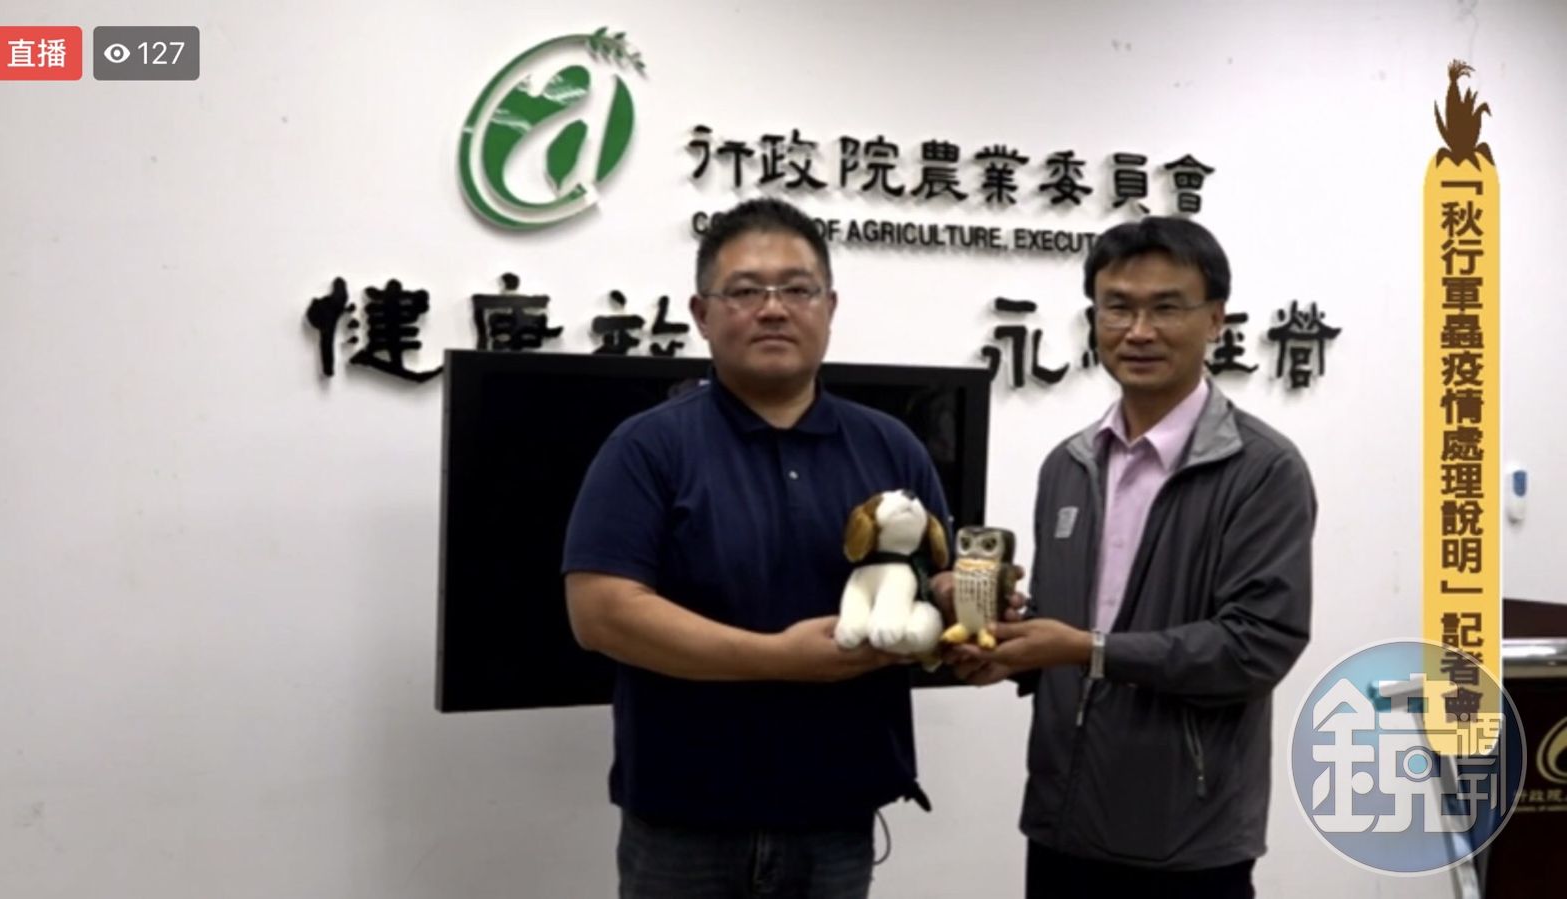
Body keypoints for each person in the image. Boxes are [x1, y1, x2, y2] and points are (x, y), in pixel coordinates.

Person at [562, 197, 951, 899]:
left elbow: (931, 579)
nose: (773, 309)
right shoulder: (648, 446)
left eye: (797, 289)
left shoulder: (890, 445)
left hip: (838, 813)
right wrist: (779, 659)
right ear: (701, 313)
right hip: (684, 817)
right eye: (744, 291)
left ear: (830, 307)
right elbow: (602, 613)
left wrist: (970, 605)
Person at [946, 216, 1315, 899]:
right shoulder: (1069, 464)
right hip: (1060, 821)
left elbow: (1255, 647)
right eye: (1117, 307)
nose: (1138, 331)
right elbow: (1065, 634)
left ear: (1215, 319)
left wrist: (1086, 649)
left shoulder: (1262, 469)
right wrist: (1011, 657)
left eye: (1166, 308)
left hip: (1187, 839)